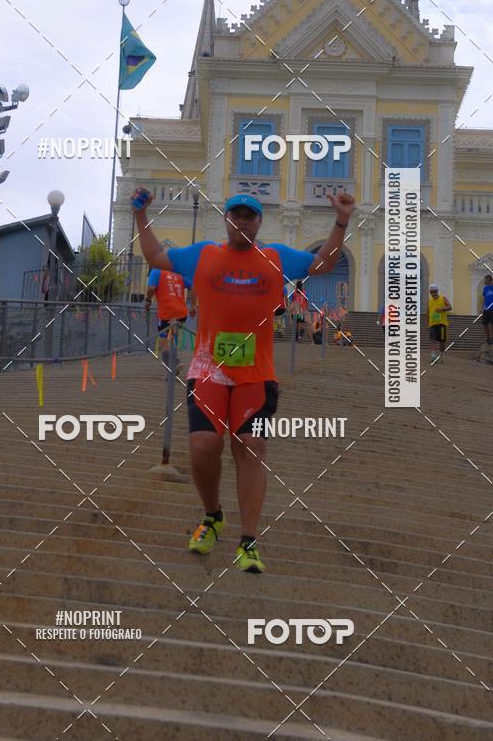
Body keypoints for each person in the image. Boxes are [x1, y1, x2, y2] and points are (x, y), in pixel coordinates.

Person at [132, 186, 355, 573]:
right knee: (203, 446)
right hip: (208, 369)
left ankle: (248, 540)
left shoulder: (275, 257)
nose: (242, 220)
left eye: (249, 216)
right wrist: (140, 214)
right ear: (227, 219)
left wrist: (342, 220)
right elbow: (154, 255)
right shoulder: (203, 255)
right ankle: (213, 516)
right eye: (236, 214)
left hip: (256, 372)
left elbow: (323, 264)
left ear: (258, 222)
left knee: (250, 446)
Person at [145, 268, 194, 376]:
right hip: (181, 313)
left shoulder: (155, 271)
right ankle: (173, 364)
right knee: (171, 337)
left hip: (166, 313)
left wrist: (148, 300)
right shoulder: (178, 273)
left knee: (163, 340)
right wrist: (193, 305)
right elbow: (193, 286)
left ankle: (174, 364)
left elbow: (151, 288)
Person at [428, 284, 452, 363]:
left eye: (434, 292)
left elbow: (450, 307)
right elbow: (427, 313)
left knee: (442, 341)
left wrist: (442, 309)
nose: (433, 294)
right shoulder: (429, 301)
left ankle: (441, 355)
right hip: (432, 324)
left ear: (437, 291)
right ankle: (433, 356)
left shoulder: (443, 298)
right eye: (431, 292)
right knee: (432, 340)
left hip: (442, 323)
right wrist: (427, 323)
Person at [482, 274, 493, 345]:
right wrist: (482, 307)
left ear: (489, 279)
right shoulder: (485, 288)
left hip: (492, 309)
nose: (484, 280)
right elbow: (484, 298)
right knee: (485, 323)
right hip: (486, 309)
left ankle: (492, 337)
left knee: (492, 324)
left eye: (485, 279)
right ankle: (487, 338)